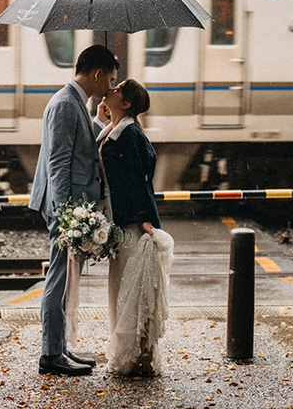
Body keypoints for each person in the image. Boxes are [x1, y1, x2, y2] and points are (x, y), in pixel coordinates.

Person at [28, 44, 119, 376]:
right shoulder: (66, 104)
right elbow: (59, 161)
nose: (110, 87)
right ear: (97, 74)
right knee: (60, 277)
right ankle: (51, 354)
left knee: (67, 278)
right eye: (110, 79)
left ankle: (59, 346)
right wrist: (66, 213)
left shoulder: (73, 102)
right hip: (66, 207)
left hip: (69, 205)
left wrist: (97, 122)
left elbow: (78, 145)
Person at [97, 79, 173, 376]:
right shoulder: (117, 131)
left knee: (132, 292)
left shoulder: (129, 135)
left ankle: (136, 358)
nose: (111, 88)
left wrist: (143, 216)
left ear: (126, 103)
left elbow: (140, 179)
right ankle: (130, 355)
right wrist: (104, 118)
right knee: (123, 290)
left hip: (131, 223)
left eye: (117, 89)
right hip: (120, 220)